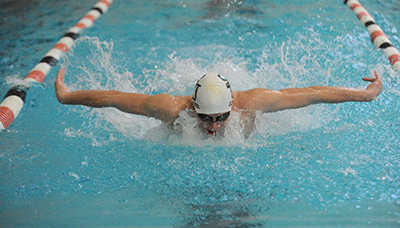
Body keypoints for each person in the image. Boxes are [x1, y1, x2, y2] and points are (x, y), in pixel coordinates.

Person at [55, 68, 382, 136]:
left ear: (232, 107)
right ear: (193, 109)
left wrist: (364, 95)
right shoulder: (171, 108)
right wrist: (67, 96)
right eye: (206, 119)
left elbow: (312, 94)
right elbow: (113, 99)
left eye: (221, 117)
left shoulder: (251, 102)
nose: (214, 126)